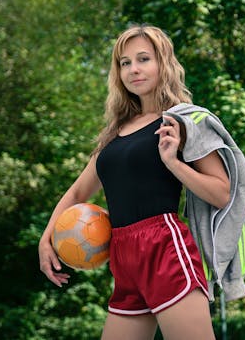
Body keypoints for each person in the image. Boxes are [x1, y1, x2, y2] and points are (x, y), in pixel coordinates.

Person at [38, 24, 231, 339]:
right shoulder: (114, 133)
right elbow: (78, 191)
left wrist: (172, 162)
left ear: (163, 64)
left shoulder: (182, 120)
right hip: (123, 255)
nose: (134, 69)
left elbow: (222, 193)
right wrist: (47, 238)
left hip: (163, 247)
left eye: (143, 59)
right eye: (125, 63)